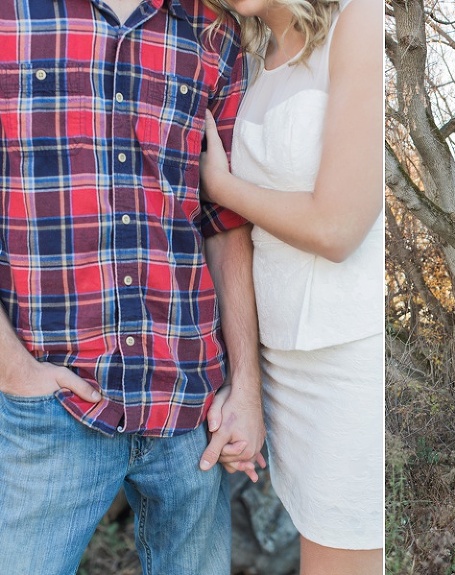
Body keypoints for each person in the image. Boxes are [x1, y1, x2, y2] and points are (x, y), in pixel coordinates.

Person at [0, 0, 265, 573]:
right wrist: (12, 369)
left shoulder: (213, 32)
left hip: (190, 410)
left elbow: (224, 223)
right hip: (47, 407)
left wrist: (245, 384)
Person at [198, 0, 384, 572]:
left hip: (344, 358)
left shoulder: (359, 20)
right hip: (279, 363)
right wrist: (245, 384)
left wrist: (220, 188)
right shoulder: (247, 54)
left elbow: (338, 228)